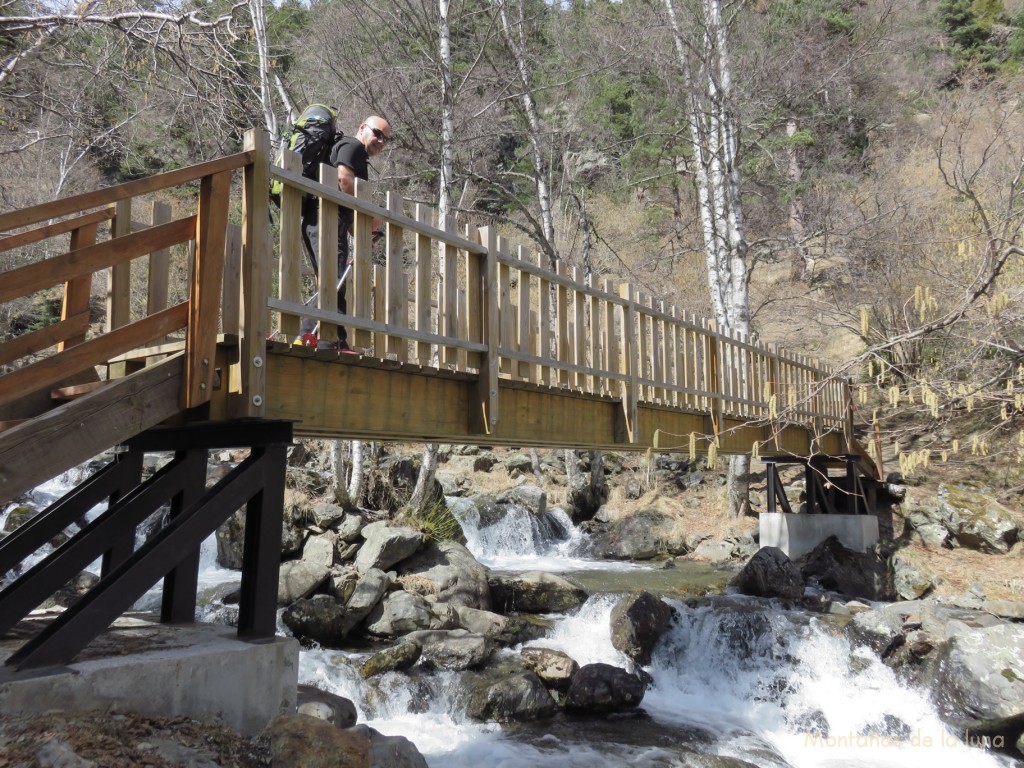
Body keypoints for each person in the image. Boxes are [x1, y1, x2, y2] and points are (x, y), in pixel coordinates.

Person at [300, 116, 393, 352]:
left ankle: (313, 336)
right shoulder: (353, 147)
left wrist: (363, 233)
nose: (381, 141)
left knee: (331, 279)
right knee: (334, 280)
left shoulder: (351, 150)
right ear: (362, 128)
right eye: (378, 133)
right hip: (326, 219)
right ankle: (332, 341)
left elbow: (346, 204)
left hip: (326, 220)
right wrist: (370, 216)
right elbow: (343, 180)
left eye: (386, 139)